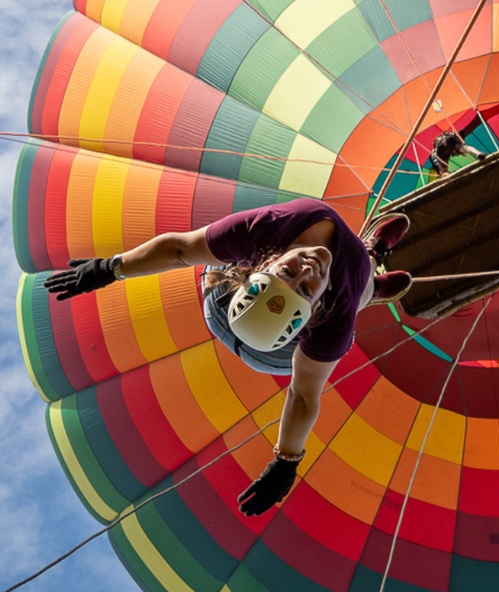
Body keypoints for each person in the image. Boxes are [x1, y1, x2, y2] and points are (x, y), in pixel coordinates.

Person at [43, 199, 412, 516]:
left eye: (287, 271)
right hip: (273, 351)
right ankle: (371, 280)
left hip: (224, 296)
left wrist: (110, 268)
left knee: (351, 277)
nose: (307, 267)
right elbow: (302, 393)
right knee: (355, 290)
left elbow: (179, 250)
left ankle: (371, 256)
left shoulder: (270, 230)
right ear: (314, 309)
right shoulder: (333, 319)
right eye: (304, 287)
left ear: (268, 261)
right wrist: (286, 460)